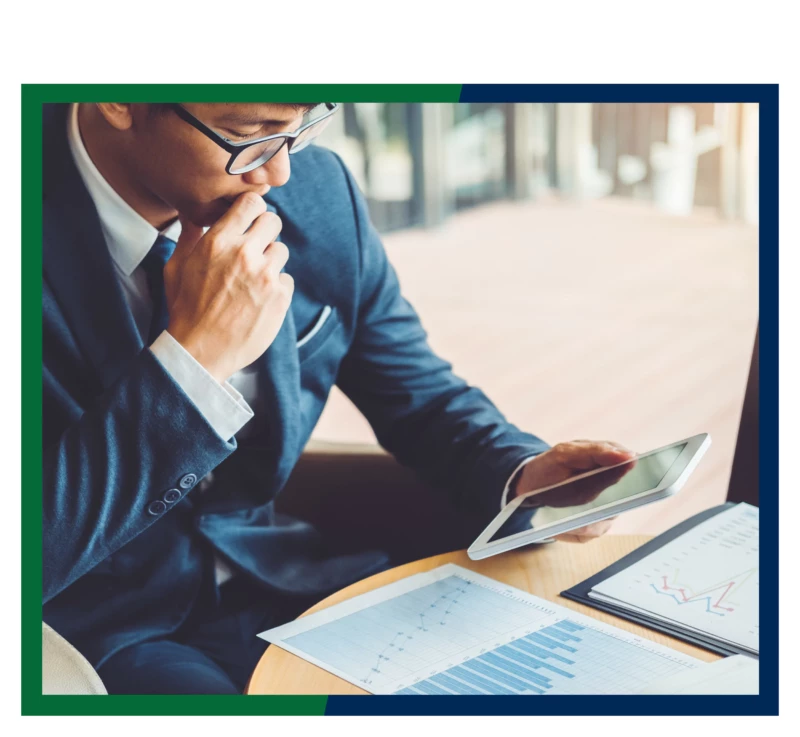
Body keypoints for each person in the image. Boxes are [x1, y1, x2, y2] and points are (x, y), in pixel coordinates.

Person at [42, 101, 634, 694]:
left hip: (282, 576)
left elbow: (417, 392)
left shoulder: (320, 194)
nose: (278, 175)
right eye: (247, 135)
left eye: (298, 130)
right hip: (98, 631)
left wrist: (523, 472)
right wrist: (194, 361)